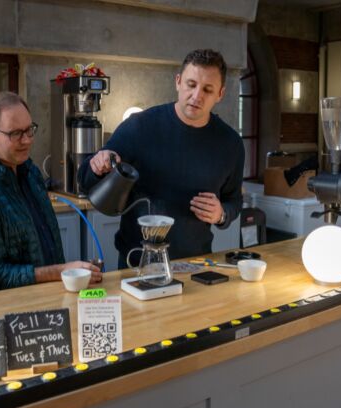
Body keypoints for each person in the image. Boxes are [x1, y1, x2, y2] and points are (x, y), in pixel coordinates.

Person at [78, 49, 244, 267]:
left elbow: (234, 201)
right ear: (178, 82)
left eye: (207, 89)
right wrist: (98, 164)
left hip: (195, 263)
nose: (196, 96)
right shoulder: (139, 126)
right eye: (191, 85)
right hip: (136, 264)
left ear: (220, 94)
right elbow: (85, 179)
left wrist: (221, 214)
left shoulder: (230, 144)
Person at [0, 91, 101, 295]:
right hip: (3, 315)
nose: (27, 141)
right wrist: (59, 272)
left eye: (29, 130)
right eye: (15, 134)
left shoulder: (30, 172)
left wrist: (72, 273)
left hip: (43, 302)